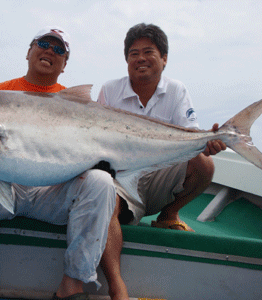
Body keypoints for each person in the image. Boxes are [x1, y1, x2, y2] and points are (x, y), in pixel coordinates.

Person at [0, 26, 116, 300]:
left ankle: (71, 288)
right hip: (1, 190)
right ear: (29, 51)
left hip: (51, 196)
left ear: (64, 64)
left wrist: (97, 161)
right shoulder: (0, 92)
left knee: (101, 182)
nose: (49, 51)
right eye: (43, 43)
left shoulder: (75, 104)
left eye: (59, 50)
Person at [97, 23, 226, 300]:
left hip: (158, 174)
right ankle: (118, 289)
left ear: (164, 58)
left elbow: (190, 134)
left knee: (205, 165)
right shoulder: (109, 91)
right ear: (126, 60)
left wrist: (208, 142)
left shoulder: (177, 90)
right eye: (133, 53)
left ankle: (168, 215)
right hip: (120, 178)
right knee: (104, 198)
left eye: (148, 52)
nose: (140, 58)